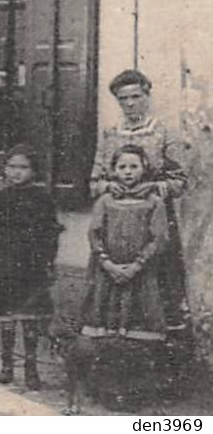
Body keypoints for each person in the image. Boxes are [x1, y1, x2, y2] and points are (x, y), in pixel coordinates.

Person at [67, 144, 172, 415]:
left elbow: (159, 238)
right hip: (107, 275)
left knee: (137, 331)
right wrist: (107, 263)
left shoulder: (153, 202)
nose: (127, 172)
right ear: (113, 170)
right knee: (104, 329)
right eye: (122, 167)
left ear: (144, 168)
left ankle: (132, 390)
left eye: (134, 166)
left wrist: (136, 266)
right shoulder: (105, 201)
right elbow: (94, 233)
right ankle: (104, 387)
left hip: (140, 277)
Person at [89, 71, 190, 344]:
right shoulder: (110, 133)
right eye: (124, 99)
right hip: (115, 225)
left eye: (136, 97)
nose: (130, 104)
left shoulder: (163, 132)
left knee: (157, 285)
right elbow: (95, 182)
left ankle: (158, 355)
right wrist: (109, 187)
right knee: (111, 287)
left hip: (152, 220)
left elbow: (180, 182)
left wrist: (151, 188)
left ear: (147, 96)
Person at [0, 143, 59, 388]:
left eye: (23, 167)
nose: (16, 172)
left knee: (30, 317)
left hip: (32, 266)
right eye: (12, 166)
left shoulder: (43, 199)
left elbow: (50, 234)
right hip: (5, 265)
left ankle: (31, 368)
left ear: (34, 171)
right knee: (7, 316)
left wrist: (48, 262)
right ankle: (6, 365)